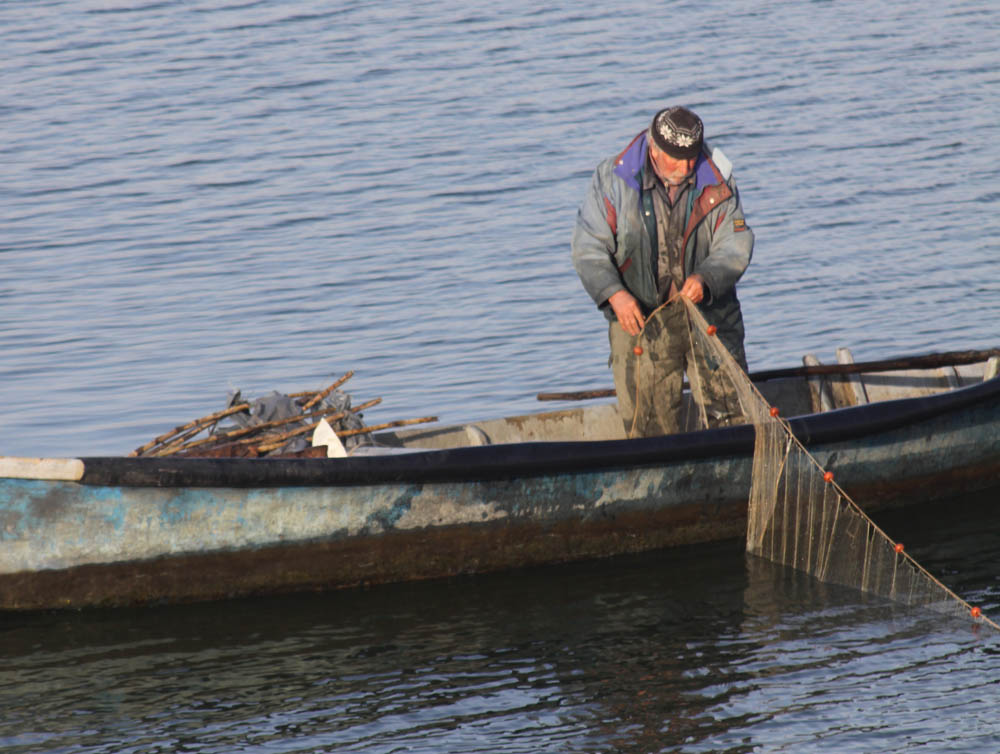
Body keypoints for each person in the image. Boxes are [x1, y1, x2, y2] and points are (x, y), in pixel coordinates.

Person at [571, 106, 753, 437]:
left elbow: (735, 243)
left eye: (691, 157)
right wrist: (615, 295)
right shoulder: (613, 179)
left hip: (710, 316)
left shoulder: (718, 175)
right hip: (641, 321)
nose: (685, 167)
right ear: (654, 148)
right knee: (649, 430)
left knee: (732, 418)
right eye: (676, 158)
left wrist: (705, 278)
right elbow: (588, 248)